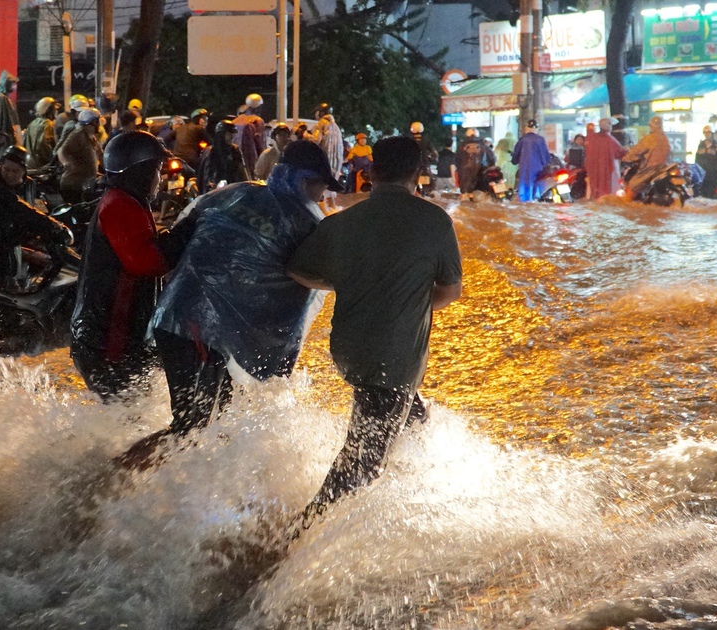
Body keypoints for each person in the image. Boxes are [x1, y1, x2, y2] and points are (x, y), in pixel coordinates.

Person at [122, 140, 342, 468]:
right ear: (306, 181)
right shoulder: (306, 224)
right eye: (322, 188)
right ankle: (111, 479)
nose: (322, 197)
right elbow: (308, 288)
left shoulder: (231, 194)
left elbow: (173, 244)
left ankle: (178, 495)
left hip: (178, 319)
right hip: (196, 329)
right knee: (193, 428)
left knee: (215, 420)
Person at [287, 135, 462, 527]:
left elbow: (297, 270)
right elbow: (449, 290)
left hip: (350, 351)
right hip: (394, 356)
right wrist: (405, 302)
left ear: (370, 173)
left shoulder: (341, 223)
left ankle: (405, 498)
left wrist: (352, 283)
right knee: (362, 467)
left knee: (414, 421)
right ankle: (291, 539)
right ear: (418, 175)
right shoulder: (435, 221)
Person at [70, 131, 189, 402]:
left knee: (131, 415)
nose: (160, 178)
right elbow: (147, 260)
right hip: (109, 341)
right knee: (127, 417)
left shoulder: (129, 200)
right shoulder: (119, 204)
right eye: (157, 169)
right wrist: (185, 232)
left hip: (120, 337)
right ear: (139, 170)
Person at [0, 145, 71, 274]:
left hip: (12, 248)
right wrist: (52, 225)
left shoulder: (28, 186)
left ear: (24, 171)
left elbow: (33, 212)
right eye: (6, 169)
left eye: (15, 171)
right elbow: (20, 209)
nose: (9, 175)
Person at [57, 107, 103, 204]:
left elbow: (101, 155)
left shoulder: (91, 137)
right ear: (93, 122)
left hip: (85, 185)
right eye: (97, 120)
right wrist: (66, 162)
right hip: (74, 185)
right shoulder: (78, 135)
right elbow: (61, 150)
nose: (99, 124)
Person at [623, 116, 671, 199]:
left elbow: (636, 152)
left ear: (651, 126)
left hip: (649, 169)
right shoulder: (665, 138)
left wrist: (625, 159)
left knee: (632, 187)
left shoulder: (650, 138)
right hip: (663, 168)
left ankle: (627, 202)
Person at [197, 119, 250, 194]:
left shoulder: (234, 150)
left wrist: (246, 186)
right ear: (221, 135)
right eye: (229, 134)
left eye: (233, 134)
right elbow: (205, 176)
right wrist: (210, 188)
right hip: (214, 191)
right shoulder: (210, 151)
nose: (232, 137)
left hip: (232, 189)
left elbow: (241, 169)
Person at [583, 119, 625, 200]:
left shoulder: (592, 139)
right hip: (608, 170)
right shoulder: (610, 140)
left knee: (594, 190)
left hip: (594, 171)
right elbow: (619, 152)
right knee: (610, 191)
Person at [511, 119, 551, 202]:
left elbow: (516, 155)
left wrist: (514, 161)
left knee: (525, 193)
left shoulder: (523, 140)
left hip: (525, 169)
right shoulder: (541, 139)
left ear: (526, 128)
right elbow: (547, 156)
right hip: (539, 169)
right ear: (536, 129)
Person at [233, 94, 267, 178]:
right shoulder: (258, 121)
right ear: (258, 107)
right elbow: (260, 142)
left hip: (235, 158)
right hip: (250, 158)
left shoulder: (235, 121)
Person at [455, 128, 496, 195]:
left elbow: (457, 160)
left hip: (465, 178)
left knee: (466, 198)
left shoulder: (461, 146)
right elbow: (492, 159)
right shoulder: (484, 145)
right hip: (482, 177)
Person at [24, 96, 58, 168]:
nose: (56, 111)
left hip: (30, 164)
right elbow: (44, 146)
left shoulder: (32, 123)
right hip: (43, 165)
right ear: (49, 110)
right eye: (55, 109)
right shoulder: (48, 124)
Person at [0, 70, 21, 150]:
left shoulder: (0, 97)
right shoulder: (2, 98)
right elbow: (6, 121)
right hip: (4, 140)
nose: (14, 86)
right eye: (12, 83)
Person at [694, 125, 717, 198]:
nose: (707, 134)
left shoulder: (716, 144)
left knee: (712, 191)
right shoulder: (701, 144)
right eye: (705, 133)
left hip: (712, 173)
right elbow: (697, 158)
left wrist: (712, 153)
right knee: (703, 192)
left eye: (708, 133)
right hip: (703, 172)